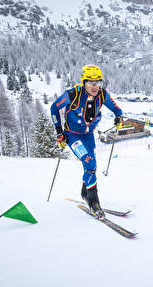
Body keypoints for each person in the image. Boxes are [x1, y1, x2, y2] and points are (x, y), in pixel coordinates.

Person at [50, 65, 123, 219]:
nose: (95, 86)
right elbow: (54, 108)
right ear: (84, 82)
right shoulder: (72, 94)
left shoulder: (102, 95)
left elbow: (117, 110)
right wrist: (59, 132)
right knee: (90, 163)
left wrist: (119, 118)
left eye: (98, 82)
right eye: (91, 82)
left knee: (91, 167)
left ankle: (85, 192)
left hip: (89, 136)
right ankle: (94, 201)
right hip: (73, 136)